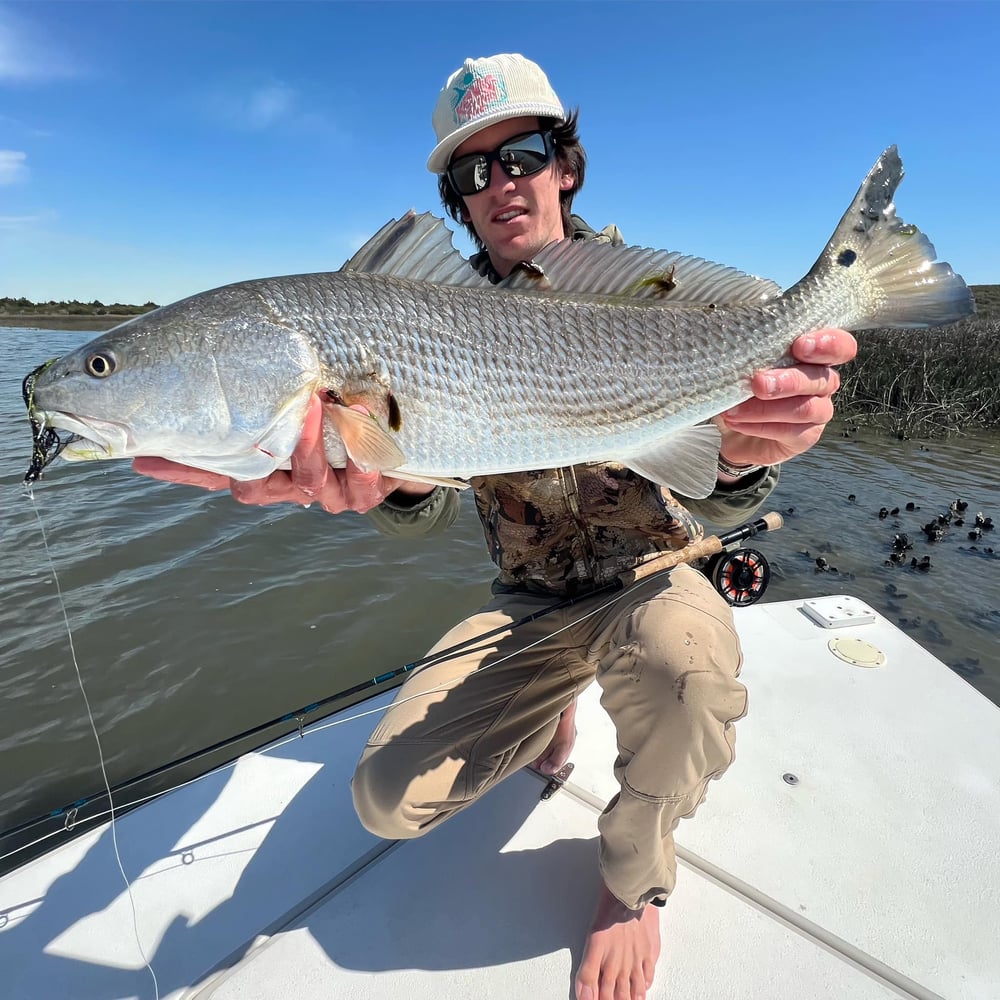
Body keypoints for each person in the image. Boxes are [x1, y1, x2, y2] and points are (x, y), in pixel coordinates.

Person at [135, 53, 858, 1000]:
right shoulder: (423, 310)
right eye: (471, 173)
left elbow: (720, 495)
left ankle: (633, 890)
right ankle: (552, 703)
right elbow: (424, 506)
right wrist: (380, 482)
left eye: (519, 154)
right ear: (457, 201)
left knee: (687, 683)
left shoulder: (655, 296)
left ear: (565, 163)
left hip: (654, 575)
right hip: (528, 604)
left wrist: (758, 448)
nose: (499, 183)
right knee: (387, 801)